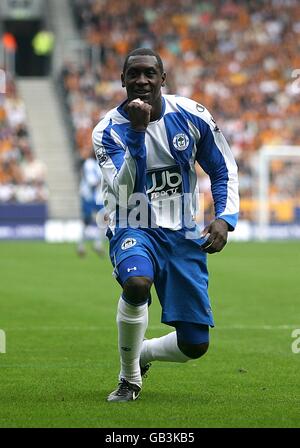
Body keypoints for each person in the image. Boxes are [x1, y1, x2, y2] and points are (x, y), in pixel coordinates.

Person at [92, 48, 239, 402]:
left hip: (182, 231)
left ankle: (143, 353)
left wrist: (224, 217)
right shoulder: (108, 130)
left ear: (162, 79)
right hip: (133, 223)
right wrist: (138, 133)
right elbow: (125, 190)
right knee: (137, 282)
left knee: (194, 344)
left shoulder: (192, 115)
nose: (141, 80)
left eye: (149, 74)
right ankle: (129, 379)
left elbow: (222, 169)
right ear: (123, 80)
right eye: (133, 74)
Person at [77, 149, 106, 257]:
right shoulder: (89, 163)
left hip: (98, 196)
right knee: (87, 220)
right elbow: (91, 181)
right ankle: (81, 244)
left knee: (104, 218)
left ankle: (97, 243)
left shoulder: (98, 163)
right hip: (88, 195)